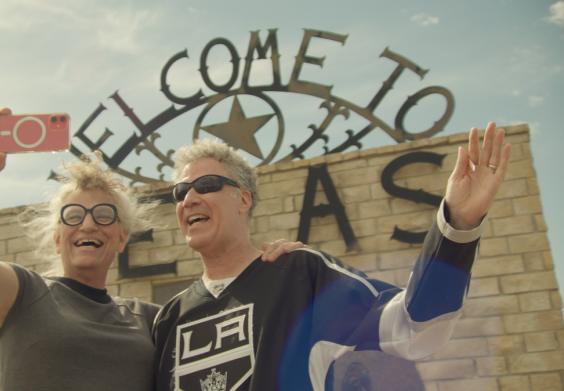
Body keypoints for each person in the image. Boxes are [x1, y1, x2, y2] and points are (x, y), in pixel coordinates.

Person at [0, 108, 298, 391]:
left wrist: (273, 265)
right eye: (73, 215)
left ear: (122, 238)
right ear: (58, 237)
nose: (88, 224)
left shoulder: (156, 319)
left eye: (103, 215)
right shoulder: (23, 294)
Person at [152, 122, 511, 391]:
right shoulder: (169, 318)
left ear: (243, 200)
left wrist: (458, 225)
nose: (190, 199)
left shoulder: (301, 277)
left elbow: (414, 327)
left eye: (207, 185)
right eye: (180, 191)